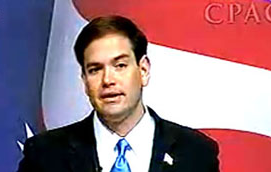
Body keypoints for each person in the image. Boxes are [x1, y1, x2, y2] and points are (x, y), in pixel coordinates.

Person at [17, 15, 219, 172]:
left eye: (120, 65)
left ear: (143, 71)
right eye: (95, 69)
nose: (108, 80)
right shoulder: (44, 155)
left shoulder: (196, 153)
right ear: (85, 81)